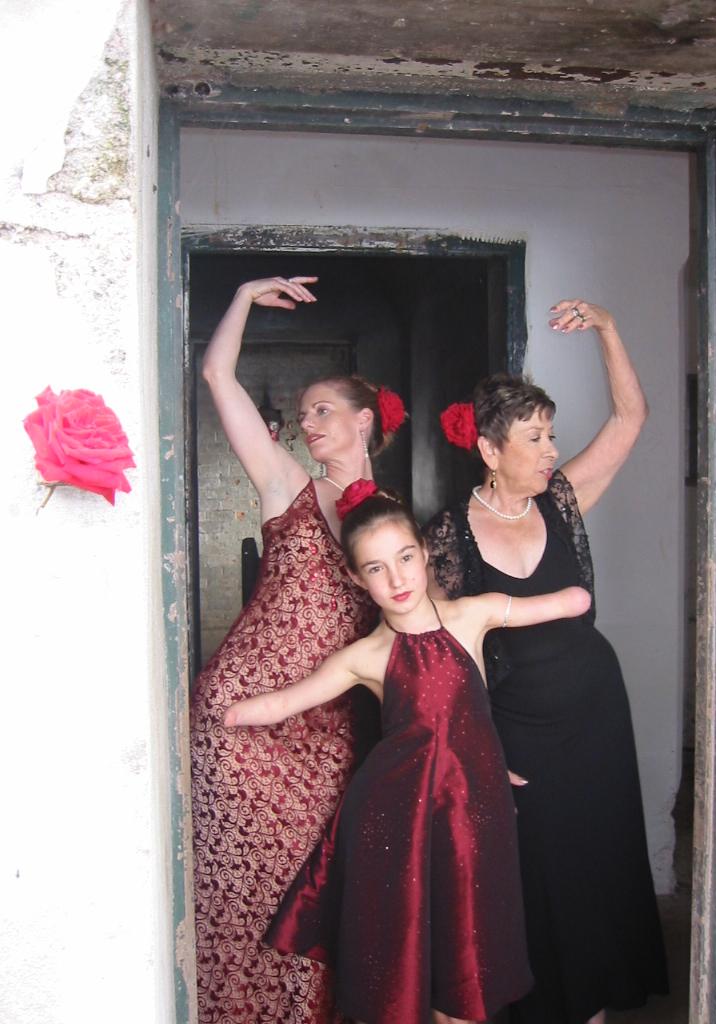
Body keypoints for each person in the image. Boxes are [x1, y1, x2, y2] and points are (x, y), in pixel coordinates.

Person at [224, 490, 591, 1024]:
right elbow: (284, 702)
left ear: (424, 554)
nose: (396, 580)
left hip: (474, 816)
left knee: (468, 966)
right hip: (400, 819)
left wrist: (567, 599)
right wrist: (221, 713)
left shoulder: (470, 616)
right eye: (376, 568)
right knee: (410, 965)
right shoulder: (365, 656)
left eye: (404, 558)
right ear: (356, 579)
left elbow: (569, 602)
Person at [425, 299, 669, 1024]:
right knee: (537, 879)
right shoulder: (447, 536)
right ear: (491, 451)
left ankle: (591, 1009)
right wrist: (478, 748)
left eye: (552, 434)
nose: (551, 450)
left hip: (595, 715)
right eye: (534, 438)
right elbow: (444, 661)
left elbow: (631, 421)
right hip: (518, 733)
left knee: (595, 868)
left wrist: (610, 329)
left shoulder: (563, 500)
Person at [191, 276, 406, 1024]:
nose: (308, 424)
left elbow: (418, 641)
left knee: (301, 903)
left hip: (326, 739)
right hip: (241, 721)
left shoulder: (394, 525)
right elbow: (218, 375)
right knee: (232, 897)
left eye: (323, 411)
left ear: (365, 422)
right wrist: (246, 296)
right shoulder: (287, 485)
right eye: (305, 412)